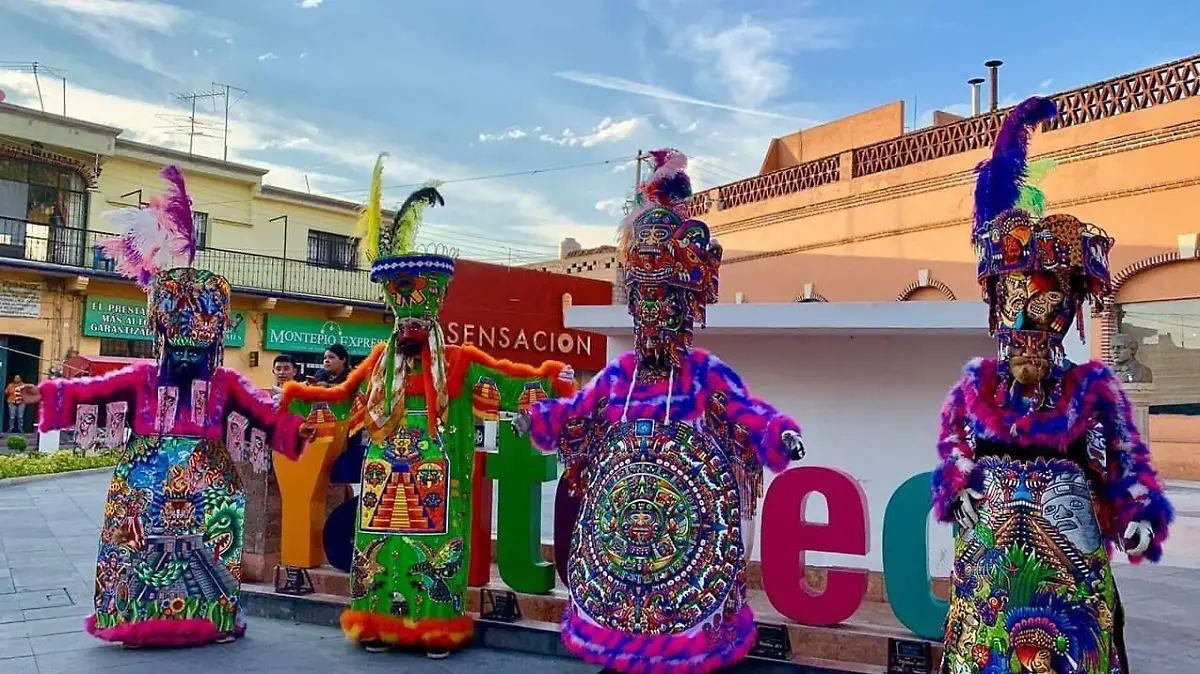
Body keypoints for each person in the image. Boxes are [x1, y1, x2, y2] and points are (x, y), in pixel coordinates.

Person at [515, 149, 806, 674]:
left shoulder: (702, 373)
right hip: (621, 534)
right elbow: (577, 411)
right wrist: (539, 419)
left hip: (685, 543)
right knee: (622, 628)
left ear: (686, 308)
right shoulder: (620, 376)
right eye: (644, 305)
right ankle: (624, 655)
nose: (653, 317)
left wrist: (777, 434)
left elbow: (746, 412)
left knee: (682, 639)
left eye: (665, 304)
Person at [280, 154, 575, 659]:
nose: (410, 328)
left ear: (433, 313)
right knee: (377, 548)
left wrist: (550, 378)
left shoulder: (459, 361)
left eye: (418, 319)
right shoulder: (378, 362)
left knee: (436, 552)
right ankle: (374, 621)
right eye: (403, 319)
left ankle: (434, 625)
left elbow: (508, 381)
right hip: (383, 474)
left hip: (439, 473)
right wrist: (302, 402)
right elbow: (344, 397)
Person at [931, 97, 1174, 674]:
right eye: (1015, 312)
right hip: (988, 591)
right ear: (996, 312)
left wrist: (1138, 517)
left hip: (1070, 592)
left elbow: (1129, 466)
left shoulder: (1093, 391)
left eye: (1045, 311)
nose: (1028, 335)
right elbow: (953, 451)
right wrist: (957, 486)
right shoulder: (977, 389)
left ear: (1067, 312)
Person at [20, 165, 305, 647]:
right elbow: (93, 394)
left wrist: (299, 431)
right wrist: (43, 395)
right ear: (163, 336)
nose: (189, 350)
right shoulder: (141, 380)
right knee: (136, 550)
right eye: (180, 340)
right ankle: (135, 621)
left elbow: (263, 413)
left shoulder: (225, 384)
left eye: (199, 341)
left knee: (210, 554)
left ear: (214, 339)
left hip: (210, 484)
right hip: (144, 481)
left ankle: (210, 619)